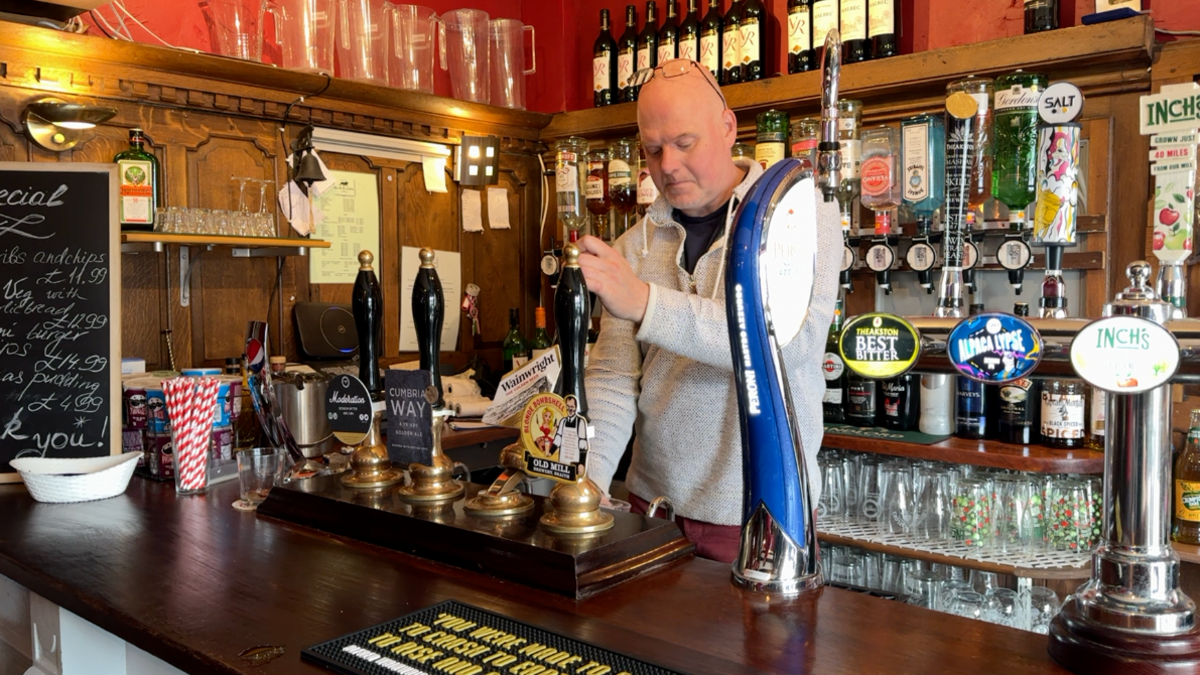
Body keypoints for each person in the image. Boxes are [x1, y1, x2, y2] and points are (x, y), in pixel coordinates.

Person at [575, 59, 841, 563]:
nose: (667, 165)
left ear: (727, 127)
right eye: (653, 150)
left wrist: (646, 303)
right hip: (648, 511)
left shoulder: (802, 219)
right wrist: (587, 485)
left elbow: (788, 345)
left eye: (683, 143)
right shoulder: (634, 246)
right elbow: (613, 379)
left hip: (760, 512)